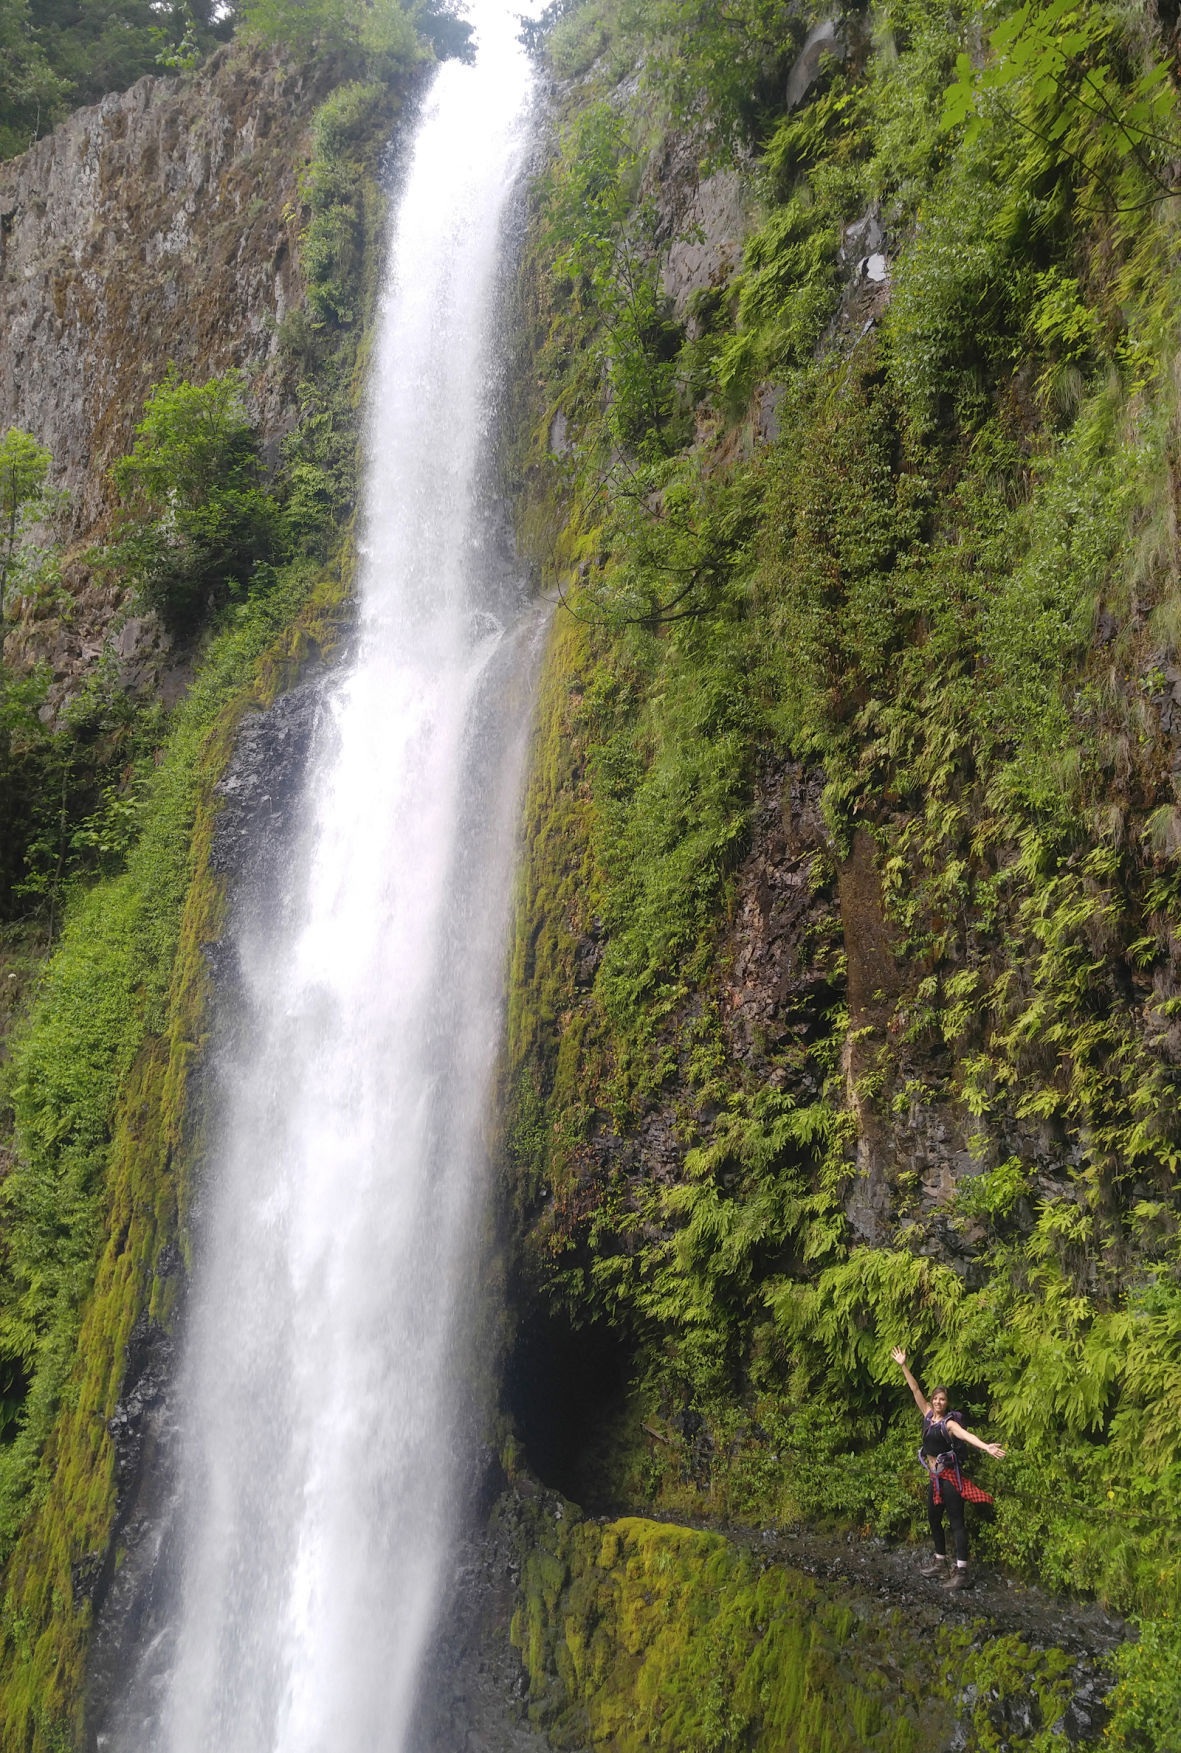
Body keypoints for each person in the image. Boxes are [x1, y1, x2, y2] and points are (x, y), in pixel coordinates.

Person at [891, 1345, 1006, 1591]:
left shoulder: (949, 1424)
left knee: (956, 1521)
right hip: (934, 1477)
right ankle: (940, 1562)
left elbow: (966, 1436)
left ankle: (962, 1571)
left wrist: (986, 1447)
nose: (938, 1402)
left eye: (942, 1399)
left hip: (950, 1478)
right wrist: (904, 1366)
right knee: (933, 1518)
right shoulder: (927, 1415)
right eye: (935, 1398)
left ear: (947, 1403)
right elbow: (915, 1389)